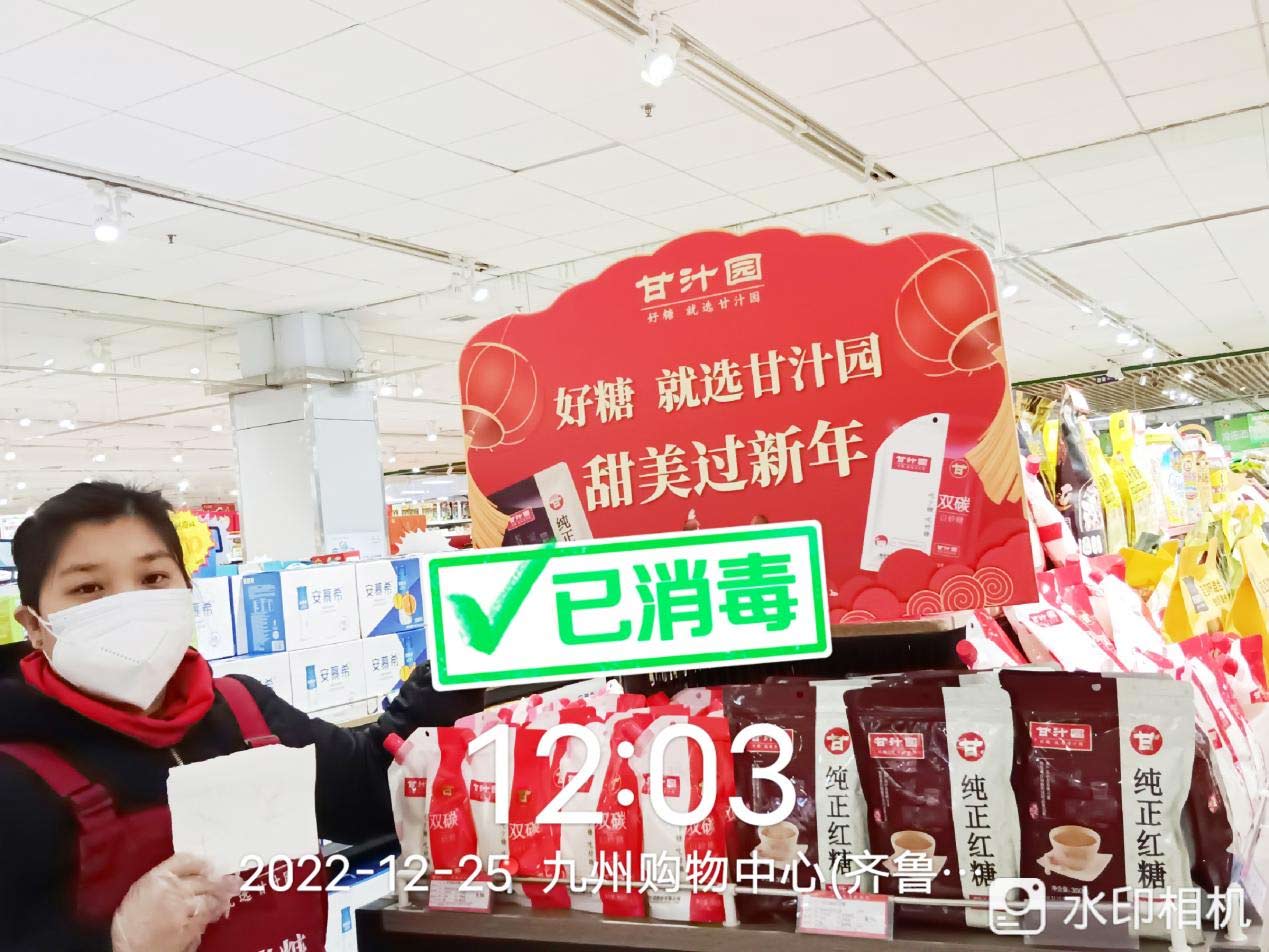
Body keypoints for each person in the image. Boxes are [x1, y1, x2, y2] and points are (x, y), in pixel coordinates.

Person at [0, 482, 483, 951]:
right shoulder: (15, 772)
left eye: (153, 579)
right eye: (88, 587)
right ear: (33, 626)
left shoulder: (244, 712)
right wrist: (118, 943)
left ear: (187, 592)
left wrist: (459, 660)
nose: (127, 606)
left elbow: (373, 791)